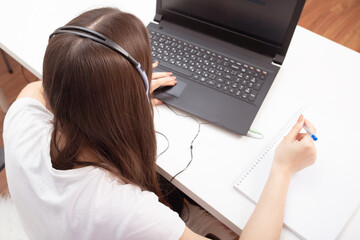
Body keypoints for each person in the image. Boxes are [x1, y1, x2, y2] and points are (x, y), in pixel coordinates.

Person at [4, 7, 317, 240]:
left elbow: (38, 89)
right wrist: (282, 168)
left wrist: (116, 92)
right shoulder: (125, 211)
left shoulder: (21, 122)